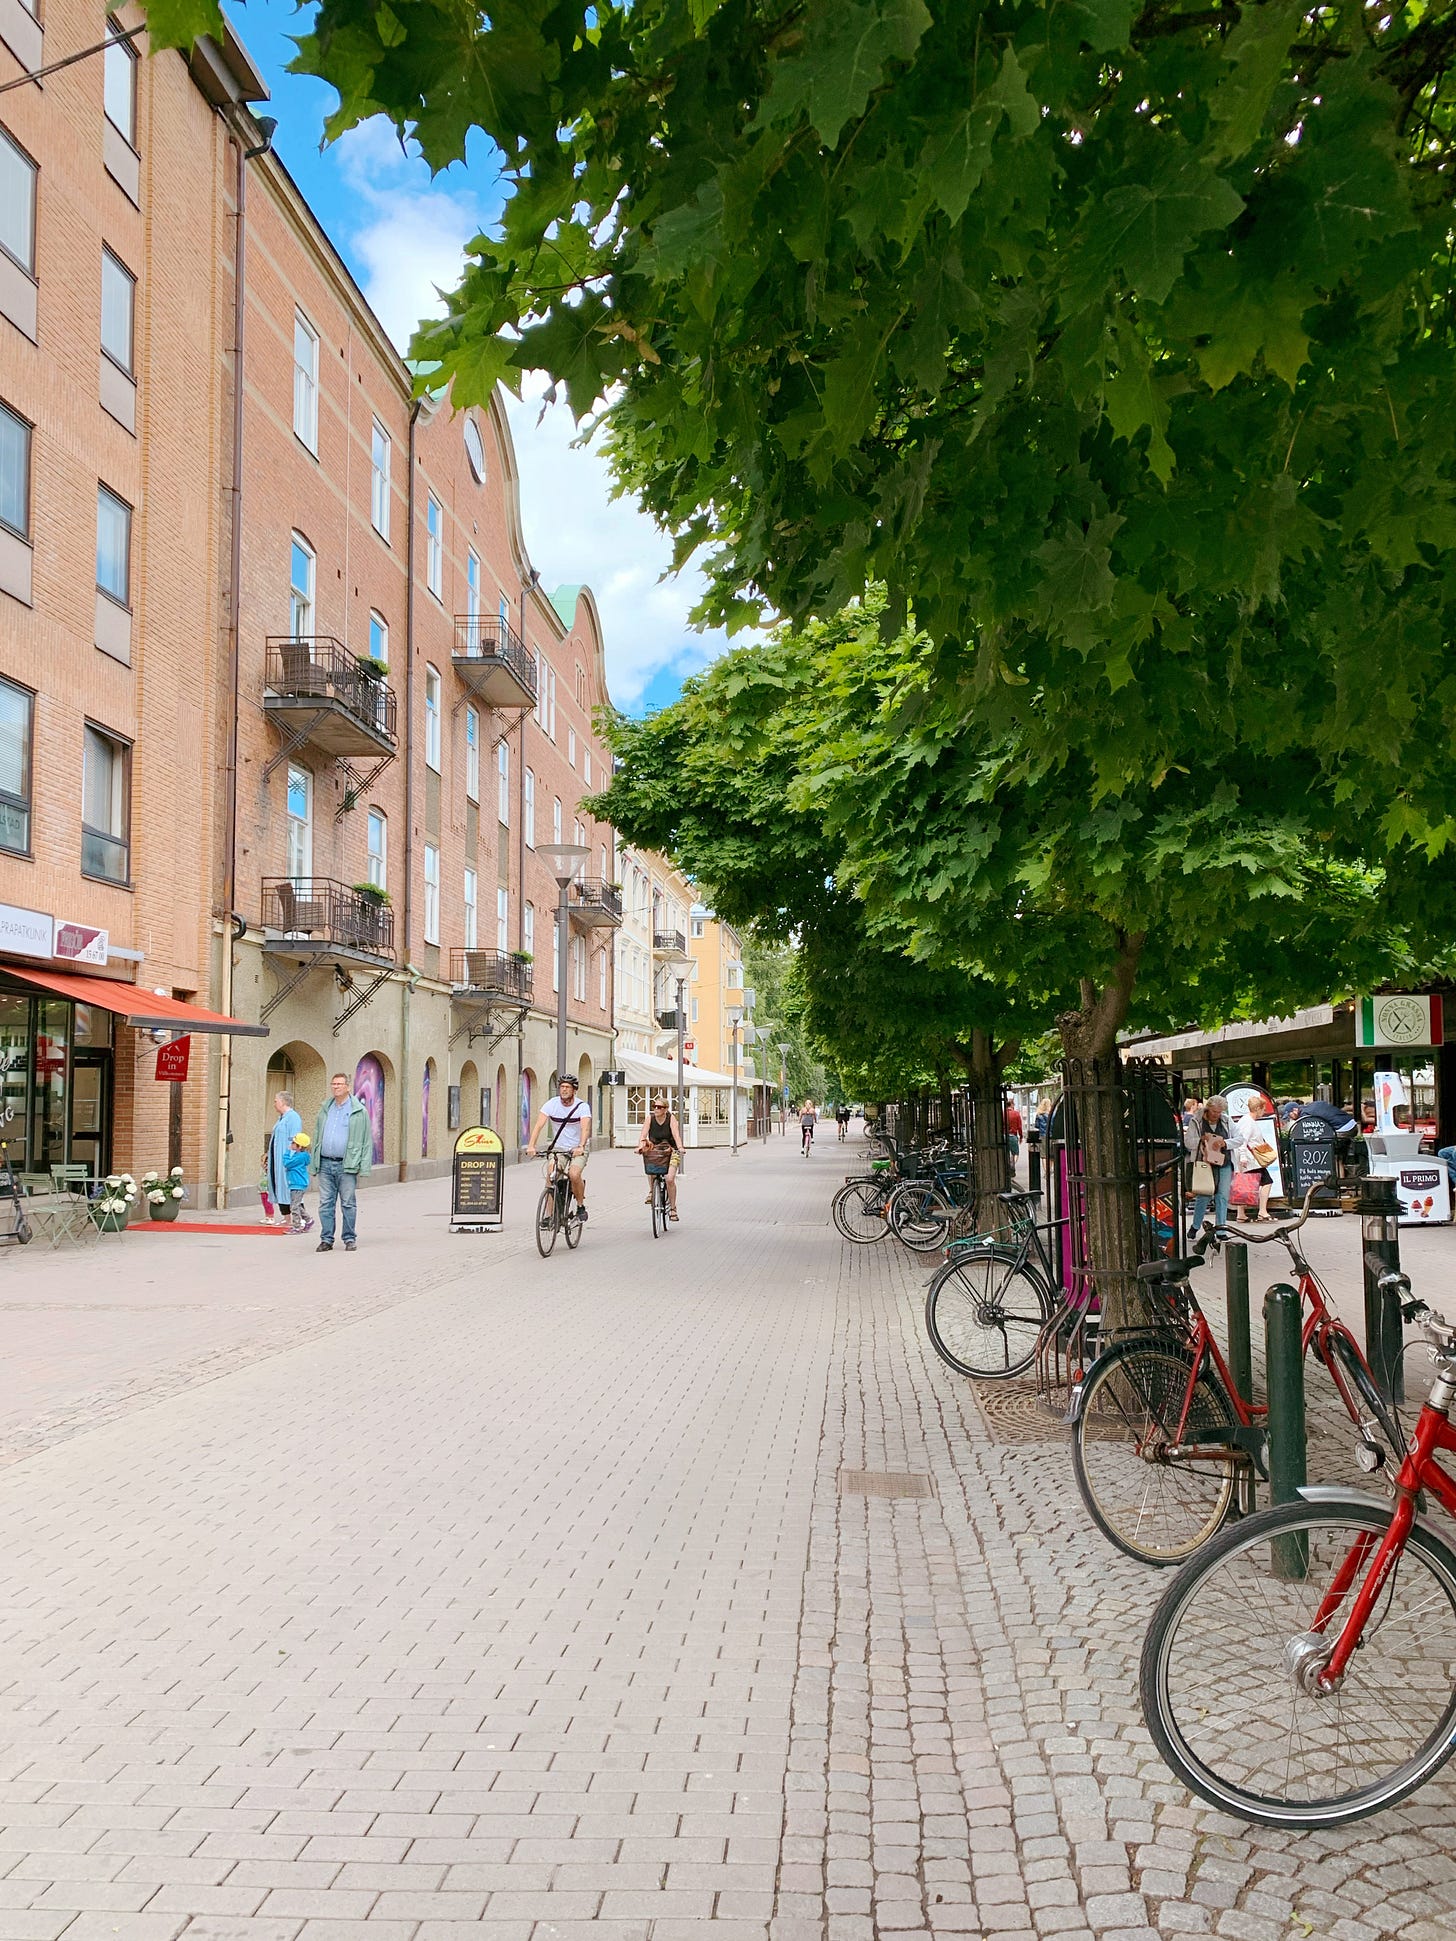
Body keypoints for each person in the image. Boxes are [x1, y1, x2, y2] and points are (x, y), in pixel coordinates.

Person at [311, 1071, 373, 1251]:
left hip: (347, 1164)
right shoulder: (325, 1108)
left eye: (339, 1084)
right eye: (333, 1084)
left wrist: (364, 1166)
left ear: (347, 1087)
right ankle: (326, 1239)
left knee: (348, 1203)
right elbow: (317, 1135)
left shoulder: (358, 1111)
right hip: (325, 1163)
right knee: (325, 1203)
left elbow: (366, 1140)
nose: (335, 1087)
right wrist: (314, 1161)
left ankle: (349, 1238)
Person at [527, 1073, 591, 1221]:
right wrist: (531, 1145)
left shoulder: (582, 1107)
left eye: (567, 1087)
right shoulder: (551, 1104)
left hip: (578, 1147)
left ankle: (580, 1206)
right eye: (562, 1087)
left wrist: (581, 1146)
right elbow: (538, 1126)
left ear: (574, 1090)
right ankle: (550, 1215)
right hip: (559, 1148)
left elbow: (585, 1129)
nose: (564, 1090)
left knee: (574, 1174)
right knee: (551, 1176)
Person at [1186, 1095, 1234, 1233]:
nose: (1216, 1115)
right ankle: (1195, 1226)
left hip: (1224, 1162)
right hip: (1204, 1163)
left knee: (1222, 1196)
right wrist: (1201, 1139)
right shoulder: (1196, 1121)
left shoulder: (1226, 1120)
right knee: (1204, 1195)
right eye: (1214, 1112)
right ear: (1208, 1109)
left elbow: (1239, 1138)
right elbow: (1188, 1142)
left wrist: (1225, 1143)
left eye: (1219, 1112)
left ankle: (1221, 1229)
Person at [637, 1091, 682, 1221]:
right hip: (655, 1149)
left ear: (666, 1109)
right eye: (654, 1106)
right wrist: (640, 1146)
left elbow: (676, 1134)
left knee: (669, 1179)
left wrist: (680, 1147)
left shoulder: (671, 1118)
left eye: (659, 1107)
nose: (656, 1109)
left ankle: (673, 1208)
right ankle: (652, 1191)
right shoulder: (649, 1118)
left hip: (671, 1150)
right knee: (650, 1164)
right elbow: (643, 1134)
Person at [267, 1091, 302, 1230]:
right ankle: (286, 1217)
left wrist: (291, 1158)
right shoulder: (281, 1118)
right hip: (276, 1157)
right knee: (278, 1186)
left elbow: (295, 1139)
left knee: (288, 1188)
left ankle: (298, 1218)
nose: (274, 1104)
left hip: (286, 1159)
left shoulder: (293, 1117)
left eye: (276, 1101)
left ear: (283, 1102)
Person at [284, 1130, 315, 1234]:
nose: (291, 1144)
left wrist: (287, 1153)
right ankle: (308, 1220)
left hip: (298, 1183)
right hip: (296, 1183)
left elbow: (287, 1163)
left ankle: (296, 1226)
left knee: (294, 1206)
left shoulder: (299, 1157)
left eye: (293, 1143)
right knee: (295, 1204)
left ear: (299, 1146)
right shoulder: (300, 1156)